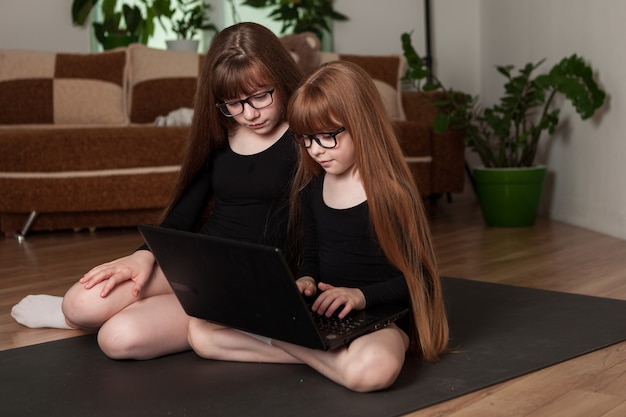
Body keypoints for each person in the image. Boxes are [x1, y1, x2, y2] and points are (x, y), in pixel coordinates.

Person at [11, 22, 304, 360]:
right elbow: (182, 216)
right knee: (79, 304)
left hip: (257, 283)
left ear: (281, 79)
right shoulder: (223, 133)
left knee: (117, 339)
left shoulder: (308, 136)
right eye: (233, 103)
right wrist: (142, 255)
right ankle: (79, 317)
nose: (249, 114)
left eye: (260, 96)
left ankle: (225, 323)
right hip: (200, 265)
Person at [187, 61, 449, 392]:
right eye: (306, 139)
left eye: (328, 137)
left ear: (362, 125)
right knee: (200, 333)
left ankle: (308, 350)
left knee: (371, 373)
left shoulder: (391, 194)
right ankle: (327, 356)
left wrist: (360, 297)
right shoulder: (313, 189)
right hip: (324, 316)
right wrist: (307, 279)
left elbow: (418, 279)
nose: (316, 150)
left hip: (377, 319)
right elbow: (312, 256)